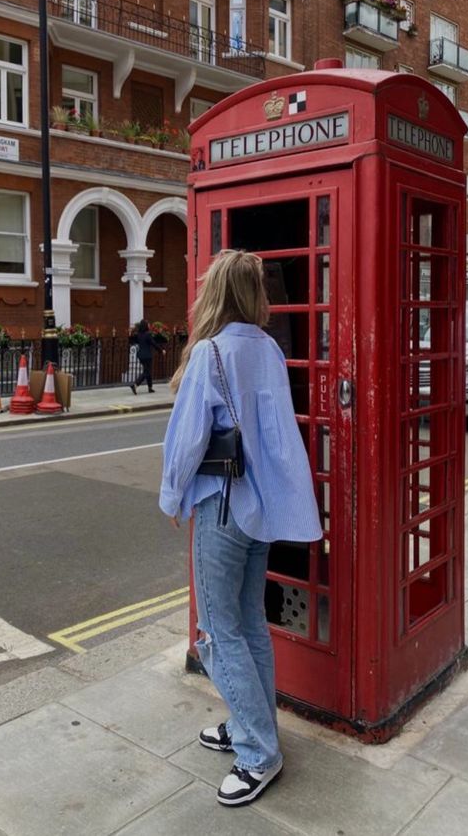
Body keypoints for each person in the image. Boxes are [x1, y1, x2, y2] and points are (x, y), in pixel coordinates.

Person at [159, 250, 322, 807]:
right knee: (250, 624)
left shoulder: (211, 352)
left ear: (214, 294)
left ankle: (258, 750)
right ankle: (250, 722)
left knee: (219, 630)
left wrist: (173, 496)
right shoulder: (269, 348)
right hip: (261, 509)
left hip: (223, 506)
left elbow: (186, 440)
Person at [129, 319, 165, 394]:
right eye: (148, 324)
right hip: (147, 356)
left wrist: (130, 334)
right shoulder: (148, 334)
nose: (149, 325)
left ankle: (150, 387)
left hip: (141, 356)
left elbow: (132, 341)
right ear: (145, 326)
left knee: (148, 370)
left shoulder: (138, 334)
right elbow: (153, 343)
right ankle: (135, 385)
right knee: (147, 371)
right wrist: (161, 350)